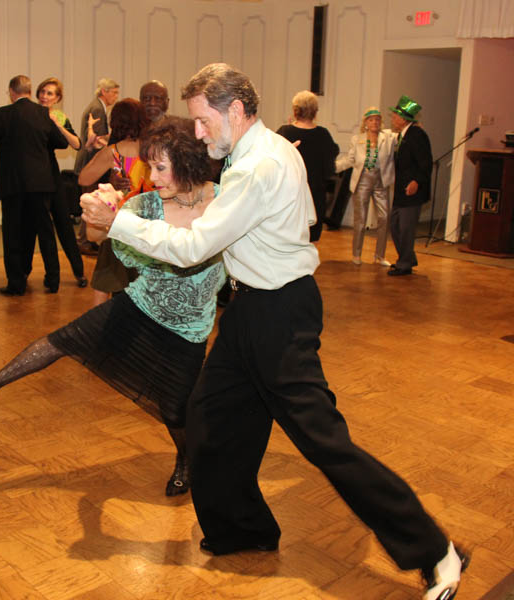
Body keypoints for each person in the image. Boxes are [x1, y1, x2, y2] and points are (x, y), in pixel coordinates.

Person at [81, 63, 467, 600]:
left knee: (325, 442)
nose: (197, 132)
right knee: (209, 418)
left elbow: (195, 249)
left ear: (234, 111)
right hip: (249, 310)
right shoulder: (275, 149)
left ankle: (436, 553)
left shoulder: (257, 166)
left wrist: (117, 218)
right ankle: (244, 530)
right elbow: (305, 217)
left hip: (278, 314)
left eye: (201, 120)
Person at [0, 116, 225, 496]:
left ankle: (185, 461)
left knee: (175, 410)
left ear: (187, 161)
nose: (153, 176)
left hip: (189, 329)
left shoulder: (224, 201)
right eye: (150, 166)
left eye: (160, 167)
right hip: (139, 307)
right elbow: (97, 235)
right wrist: (97, 210)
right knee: (62, 340)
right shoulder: (144, 205)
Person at [0, 75, 65, 295]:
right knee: (46, 233)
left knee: (13, 235)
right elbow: (60, 141)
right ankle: (53, 280)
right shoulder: (43, 113)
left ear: (11, 91)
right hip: (41, 184)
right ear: (30, 91)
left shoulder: (2, 114)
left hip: (13, 185)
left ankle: (16, 283)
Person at [79, 98, 153, 305]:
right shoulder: (152, 151)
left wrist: (109, 178)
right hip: (148, 225)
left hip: (119, 223)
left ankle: (97, 330)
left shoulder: (113, 152)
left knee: (105, 281)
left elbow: (83, 178)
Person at [23, 77, 87, 288]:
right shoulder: (30, 115)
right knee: (40, 231)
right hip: (34, 180)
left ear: (57, 98)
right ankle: (49, 278)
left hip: (52, 177)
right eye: (42, 91)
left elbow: (77, 144)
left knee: (65, 226)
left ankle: (79, 272)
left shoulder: (58, 116)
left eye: (50, 93)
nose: (44, 96)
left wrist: (57, 124)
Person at [336, 107, 397, 265]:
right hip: (362, 181)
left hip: (380, 182)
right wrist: (334, 167)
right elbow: (350, 159)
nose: (375, 122)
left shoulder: (388, 137)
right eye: (371, 120)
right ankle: (356, 254)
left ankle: (380, 255)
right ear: (366, 123)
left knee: (384, 217)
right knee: (360, 220)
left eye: (377, 119)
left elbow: (403, 135)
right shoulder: (357, 139)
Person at [276, 90, 339, 242]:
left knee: (288, 238)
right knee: (311, 239)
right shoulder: (323, 135)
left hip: (289, 195)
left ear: (295, 110)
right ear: (315, 112)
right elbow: (330, 169)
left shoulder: (284, 132)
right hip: (315, 195)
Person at [75, 78, 120, 256]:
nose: (115, 96)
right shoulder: (97, 108)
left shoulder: (97, 106)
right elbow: (94, 140)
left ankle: (86, 240)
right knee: (92, 202)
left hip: (90, 161)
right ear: (104, 92)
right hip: (90, 162)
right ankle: (84, 241)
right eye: (114, 92)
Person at [387, 95, 432, 276]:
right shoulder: (402, 135)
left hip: (412, 191)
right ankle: (408, 257)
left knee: (404, 228)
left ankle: (404, 264)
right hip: (400, 191)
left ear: (403, 118)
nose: (392, 119)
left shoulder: (417, 135)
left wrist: (416, 182)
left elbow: (426, 163)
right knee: (396, 225)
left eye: (394, 116)